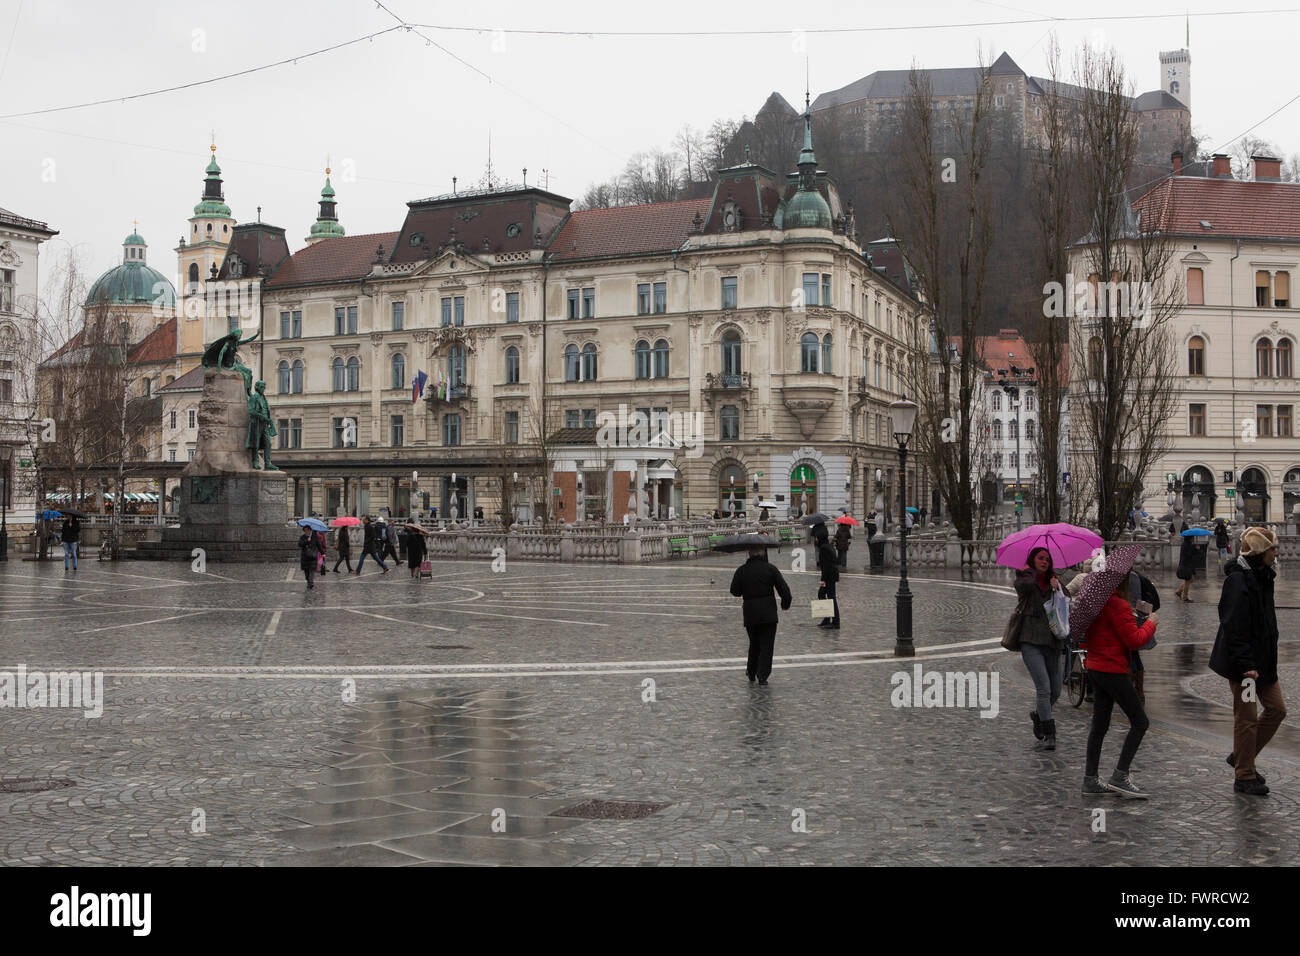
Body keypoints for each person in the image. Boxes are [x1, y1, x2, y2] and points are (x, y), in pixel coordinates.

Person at [1210, 527, 1285, 796]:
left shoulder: (1264, 575)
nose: (1276, 553)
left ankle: (1242, 755)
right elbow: (1233, 626)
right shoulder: (1238, 581)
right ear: (1258, 553)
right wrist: (1246, 664)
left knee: (1277, 709)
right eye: (1271, 549)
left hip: (1264, 662)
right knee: (1247, 717)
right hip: (1246, 666)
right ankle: (1244, 775)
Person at [1080, 577, 1158, 798]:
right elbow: (1134, 640)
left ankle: (1091, 779)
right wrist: (1151, 622)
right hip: (1113, 670)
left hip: (1095, 667)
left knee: (1099, 726)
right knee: (1140, 722)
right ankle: (1120, 776)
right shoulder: (1117, 605)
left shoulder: (1094, 604)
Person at [1015, 547, 1066, 750]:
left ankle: (1038, 715)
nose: (1044, 562)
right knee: (1043, 689)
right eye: (1040, 558)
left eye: (1047, 559)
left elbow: (1065, 601)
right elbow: (1022, 587)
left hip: (1052, 642)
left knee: (1056, 691)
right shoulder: (1025, 577)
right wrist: (1029, 572)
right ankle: (1050, 732)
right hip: (1031, 640)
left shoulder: (1055, 579)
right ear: (1033, 560)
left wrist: (1057, 587)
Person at [729, 545, 793, 685]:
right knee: (767, 644)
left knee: (754, 643)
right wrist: (785, 604)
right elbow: (784, 590)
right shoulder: (770, 569)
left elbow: (734, 591)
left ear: (749, 553)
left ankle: (751, 671)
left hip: (750, 613)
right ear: (763, 553)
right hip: (768, 613)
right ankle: (762, 674)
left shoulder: (742, 570)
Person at [816, 527, 841, 629]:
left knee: (830, 597)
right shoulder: (828, 546)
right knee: (823, 594)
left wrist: (823, 580)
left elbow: (825, 566)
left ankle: (835, 622)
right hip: (832, 575)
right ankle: (827, 619)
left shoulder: (823, 549)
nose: (816, 540)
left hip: (829, 577)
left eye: (817, 538)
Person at [1174, 530, 1198, 601]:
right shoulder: (1187, 545)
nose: (1193, 538)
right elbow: (1189, 555)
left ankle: (1179, 591)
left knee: (1191, 579)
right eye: (1192, 537)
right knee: (1188, 580)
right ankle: (1185, 597)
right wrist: (1195, 549)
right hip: (1186, 565)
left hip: (1188, 565)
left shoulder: (1187, 544)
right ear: (1190, 538)